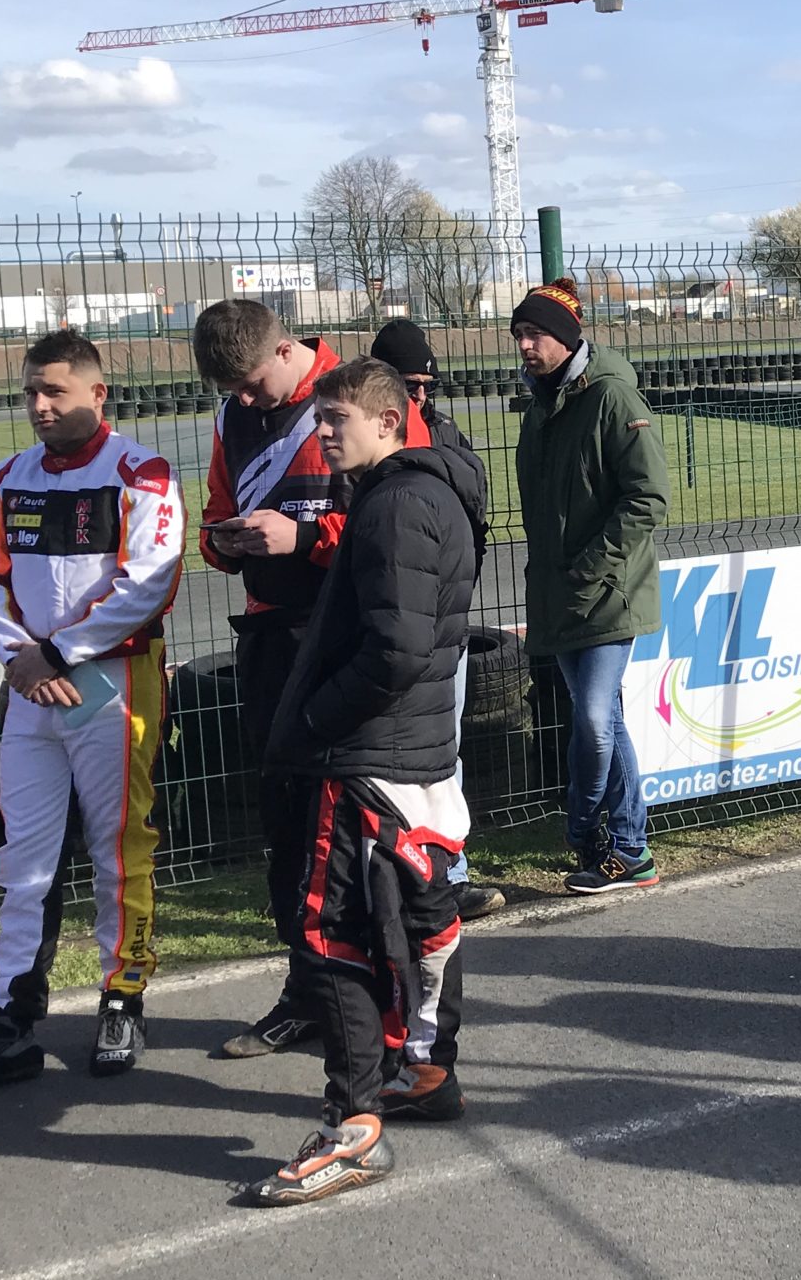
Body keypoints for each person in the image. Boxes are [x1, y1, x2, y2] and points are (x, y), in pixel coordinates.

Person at [0, 330, 183, 1099]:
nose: (38, 404)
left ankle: (123, 998)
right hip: (31, 691)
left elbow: (149, 584)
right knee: (23, 858)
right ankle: (9, 1018)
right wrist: (22, 659)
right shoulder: (11, 476)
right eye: (31, 390)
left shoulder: (142, 473)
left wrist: (57, 653)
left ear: (97, 394)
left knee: (117, 848)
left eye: (54, 391)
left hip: (113, 685)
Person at [242, 359, 480, 1207]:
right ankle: (425, 1072)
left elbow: (397, 650)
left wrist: (314, 720)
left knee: (331, 931)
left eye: (336, 418)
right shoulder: (416, 492)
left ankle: (354, 1123)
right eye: (320, 417)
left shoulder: (397, 503)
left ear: (387, 420)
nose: (322, 432)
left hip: (370, 757)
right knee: (417, 918)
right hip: (409, 751)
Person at [512, 277, 669, 893]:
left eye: (536, 334)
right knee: (604, 721)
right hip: (559, 595)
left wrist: (592, 567)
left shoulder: (611, 396)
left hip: (608, 593)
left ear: (567, 337)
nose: (525, 345)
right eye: (519, 334)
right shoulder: (539, 407)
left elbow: (647, 497)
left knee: (596, 719)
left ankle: (587, 829)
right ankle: (627, 849)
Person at [370, 318, 495, 920]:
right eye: (408, 385)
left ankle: (450, 874)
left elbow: (474, 524)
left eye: (426, 386)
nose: (419, 396)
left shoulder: (446, 436)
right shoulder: (358, 437)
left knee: (445, 750)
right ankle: (386, 880)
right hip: (383, 622)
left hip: (444, 619)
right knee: (383, 760)